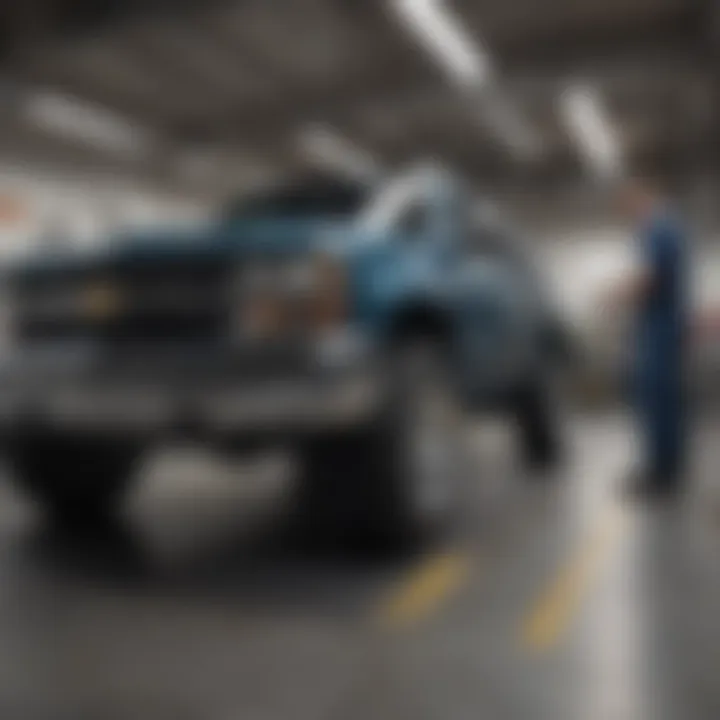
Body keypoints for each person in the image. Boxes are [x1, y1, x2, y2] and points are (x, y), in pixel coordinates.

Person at [610, 177, 689, 497]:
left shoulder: (659, 229)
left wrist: (616, 296)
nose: (628, 216)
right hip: (662, 325)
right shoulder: (668, 229)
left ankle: (659, 474)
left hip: (660, 326)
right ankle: (668, 467)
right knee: (664, 398)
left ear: (641, 200)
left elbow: (650, 280)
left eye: (628, 208)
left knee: (656, 399)